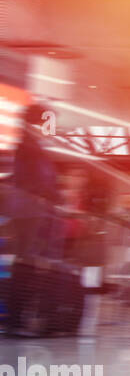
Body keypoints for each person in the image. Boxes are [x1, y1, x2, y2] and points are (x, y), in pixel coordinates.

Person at [4, 103, 61, 333]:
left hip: (33, 210)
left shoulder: (33, 144)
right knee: (25, 263)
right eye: (50, 120)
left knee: (28, 263)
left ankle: (19, 317)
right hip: (29, 211)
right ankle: (16, 318)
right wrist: (47, 195)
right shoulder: (27, 145)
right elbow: (31, 180)